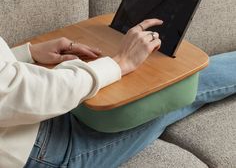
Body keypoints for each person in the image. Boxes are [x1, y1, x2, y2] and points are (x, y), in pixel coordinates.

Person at [0, 19, 236, 168]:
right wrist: (119, 63)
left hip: (32, 121)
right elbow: (19, 94)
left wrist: (26, 54)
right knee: (179, 89)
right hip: (42, 151)